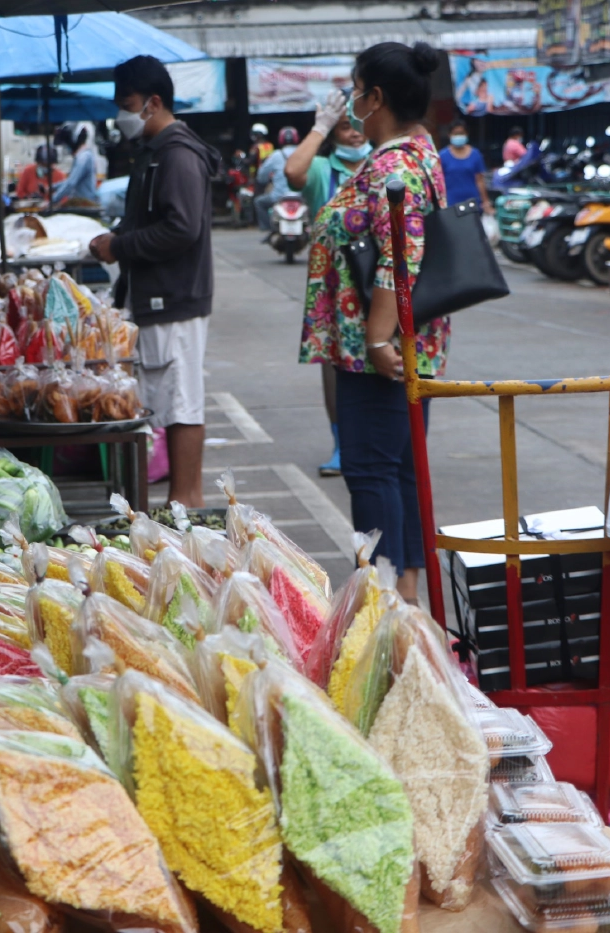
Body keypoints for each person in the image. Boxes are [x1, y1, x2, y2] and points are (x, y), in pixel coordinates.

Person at [298, 41, 449, 604]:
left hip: (379, 350)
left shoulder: (393, 165)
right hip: (409, 342)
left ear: (376, 98)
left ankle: (385, 602)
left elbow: (400, 254)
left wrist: (380, 337)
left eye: (356, 90)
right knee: (399, 470)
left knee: (370, 471)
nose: (352, 100)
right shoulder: (418, 150)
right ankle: (403, 597)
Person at [89, 56, 218, 508]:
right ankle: (180, 503)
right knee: (168, 400)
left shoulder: (178, 154)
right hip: (155, 295)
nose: (121, 115)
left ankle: (185, 503)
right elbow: (151, 220)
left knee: (182, 404)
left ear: (154, 102)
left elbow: (181, 229)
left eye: (127, 105)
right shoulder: (155, 151)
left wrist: (120, 246)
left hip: (174, 297)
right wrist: (115, 238)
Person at [284, 91, 372, 478]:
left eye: (359, 125)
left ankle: (377, 439)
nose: (354, 134)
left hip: (379, 282)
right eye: (345, 127)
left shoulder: (382, 161)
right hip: (336, 288)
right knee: (335, 366)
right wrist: (319, 127)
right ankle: (342, 443)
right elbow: (293, 172)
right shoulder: (323, 170)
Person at [439, 121, 493, 211]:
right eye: (455, 133)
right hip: (450, 204)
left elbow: (480, 181)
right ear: (449, 135)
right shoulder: (442, 156)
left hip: (472, 203)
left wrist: (485, 201)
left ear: (466, 134)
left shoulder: (476, 154)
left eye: (461, 133)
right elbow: (439, 181)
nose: (458, 136)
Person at [255, 126, 299, 233]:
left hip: (278, 196)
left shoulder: (275, 155)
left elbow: (261, 176)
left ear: (281, 139)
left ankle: (268, 230)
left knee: (259, 202)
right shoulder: (303, 153)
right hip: (301, 196)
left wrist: (265, 180)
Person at [51, 122, 99, 207]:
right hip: (80, 203)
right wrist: (52, 187)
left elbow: (71, 183)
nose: (66, 147)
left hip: (84, 205)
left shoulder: (83, 158)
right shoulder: (81, 156)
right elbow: (70, 181)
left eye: (66, 143)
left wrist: (53, 201)